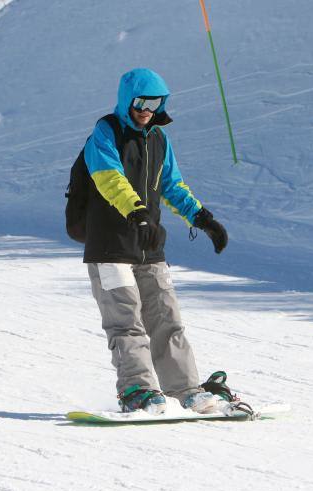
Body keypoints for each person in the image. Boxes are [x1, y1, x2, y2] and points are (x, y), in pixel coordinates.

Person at [81, 68, 231, 415]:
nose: (147, 108)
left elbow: (173, 186)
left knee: (167, 319)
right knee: (126, 322)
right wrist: (138, 214)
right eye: (141, 101)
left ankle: (186, 391)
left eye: (155, 101)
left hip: (149, 246)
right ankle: (138, 390)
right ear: (126, 101)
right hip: (110, 247)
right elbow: (109, 179)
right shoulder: (105, 133)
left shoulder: (159, 139)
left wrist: (203, 219)